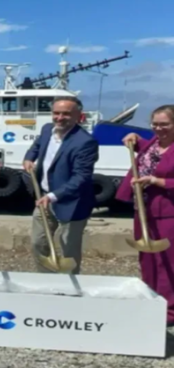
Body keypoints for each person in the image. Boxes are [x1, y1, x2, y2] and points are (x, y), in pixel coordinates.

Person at [22, 96, 99, 274]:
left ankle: (69, 286)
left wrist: (52, 196)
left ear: (78, 115)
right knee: (38, 243)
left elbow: (81, 177)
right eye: (56, 113)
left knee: (68, 251)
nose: (60, 117)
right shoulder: (47, 129)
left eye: (66, 114)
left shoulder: (85, 142)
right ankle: (47, 279)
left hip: (72, 202)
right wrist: (28, 157)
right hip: (44, 196)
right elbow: (37, 145)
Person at [116, 105, 174, 326]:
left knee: (167, 262)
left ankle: (169, 310)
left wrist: (157, 181)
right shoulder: (154, 143)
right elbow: (146, 149)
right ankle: (151, 300)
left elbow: (160, 172)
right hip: (144, 210)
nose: (159, 129)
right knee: (147, 258)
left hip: (168, 213)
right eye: (155, 124)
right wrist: (134, 137)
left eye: (165, 124)